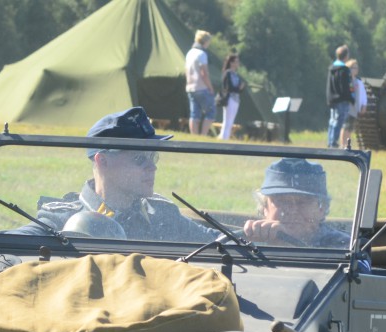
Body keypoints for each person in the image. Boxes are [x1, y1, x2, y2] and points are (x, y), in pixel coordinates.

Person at [13, 107, 216, 242]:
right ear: (103, 161)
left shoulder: (161, 215)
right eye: (139, 159)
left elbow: (217, 243)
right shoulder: (64, 220)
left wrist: (248, 235)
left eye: (152, 157)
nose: (152, 168)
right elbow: (9, 244)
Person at [243, 158, 347, 247]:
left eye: (304, 201)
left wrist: (286, 245)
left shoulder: (342, 247)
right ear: (265, 207)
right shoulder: (246, 244)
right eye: (282, 201)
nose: (292, 210)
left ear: (321, 208)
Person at [185, 30, 216, 136]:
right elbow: (204, 74)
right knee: (210, 112)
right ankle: (203, 135)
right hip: (201, 87)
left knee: (194, 114)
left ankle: (194, 136)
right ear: (205, 41)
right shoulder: (202, 54)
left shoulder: (190, 53)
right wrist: (210, 88)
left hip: (190, 87)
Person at [326, 45, 354, 149]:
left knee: (332, 120)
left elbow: (329, 86)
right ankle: (333, 142)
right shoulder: (344, 69)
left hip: (333, 99)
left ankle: (330, 140)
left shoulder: (331, 68)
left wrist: (329, 99)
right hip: (342, 100)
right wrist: (351, 98)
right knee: (339, 120)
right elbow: (346, 87)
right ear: (346, 56)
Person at [339, 59, 368, 149]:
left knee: (350, 127)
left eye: (356, 68)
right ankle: (342, 144)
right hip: (347, 106)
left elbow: (363, 94)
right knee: (345, 125)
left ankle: (347, 144)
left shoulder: (358, 81)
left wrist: (364, 105)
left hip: (355, 107)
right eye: (353, 67)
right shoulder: (346, 80)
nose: (355, 69)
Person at [218, 54, 246, 140]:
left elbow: (238, 89)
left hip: (236, 99)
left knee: (231, 120)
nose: (238, 63)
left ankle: (225, 136)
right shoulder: (228, 73)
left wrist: (241, 88)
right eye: (236, 61)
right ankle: (224, 137)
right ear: (231, 63)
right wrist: (238, 88)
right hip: (229, 98)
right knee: (227, 119)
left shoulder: (236, 74)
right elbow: (228, 87)